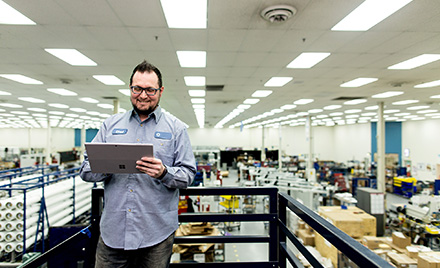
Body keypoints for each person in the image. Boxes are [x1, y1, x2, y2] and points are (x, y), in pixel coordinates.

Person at [80, 60, 196, 268]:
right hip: (113, 232)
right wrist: (106, 166)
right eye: (137, 88)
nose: (143, 95)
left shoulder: (176, 129)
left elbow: (188, 175)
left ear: (160, 91)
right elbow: (85, 171)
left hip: (156, 233)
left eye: (150, 90)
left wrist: (164, 173)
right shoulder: (110, 125)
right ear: (130, 89)